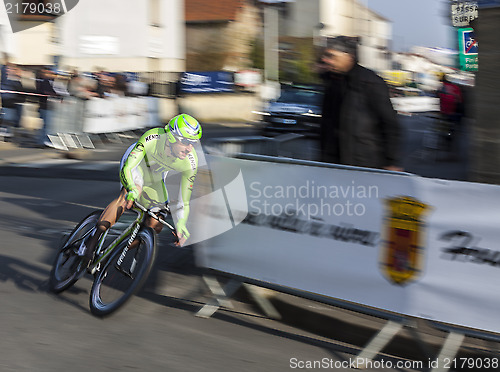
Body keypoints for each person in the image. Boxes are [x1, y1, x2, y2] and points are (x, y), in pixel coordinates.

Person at [78, 113, 202, 265]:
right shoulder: (153, 137)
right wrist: (131, 189)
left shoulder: (191, 162)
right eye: (185, 142)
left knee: (155, 224)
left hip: (155, 177)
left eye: (193, 143)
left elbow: (185, 201)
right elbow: (129, 167)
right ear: (171, 137)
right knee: (129, 195)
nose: (189, 148)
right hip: (135, 166)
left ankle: (115, 252)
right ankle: (90, 243)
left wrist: (181, 224)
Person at [319, 36, 402, 171]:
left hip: (365, 165)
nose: (326, 60)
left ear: (349, 56)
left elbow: (390, 125)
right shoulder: (332, 83)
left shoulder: (371, 83)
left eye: (331, 56)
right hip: (334, 165)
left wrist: (390, 161)